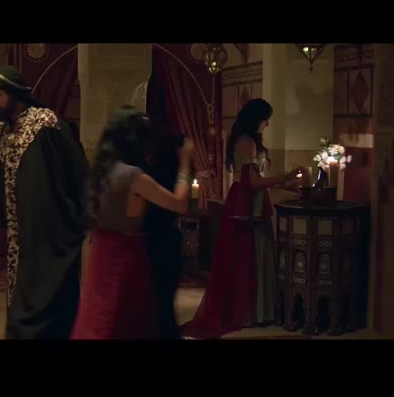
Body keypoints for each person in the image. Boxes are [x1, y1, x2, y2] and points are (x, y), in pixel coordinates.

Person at [181, 98, 302, 339]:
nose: (267, 124)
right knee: (249, 255)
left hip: (249, 201)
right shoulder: (247, 142)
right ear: (257, 119)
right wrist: (284, 177)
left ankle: (255, 311)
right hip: (246, 204)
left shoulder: (246, 140)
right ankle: (248, 312)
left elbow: (255, 179)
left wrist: (284, 185)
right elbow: (252, 182)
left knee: (252, 254)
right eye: (266, 119)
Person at [0, 65, 88, 339]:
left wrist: (77, 220)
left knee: (47, 299)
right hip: (19, 235)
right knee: (21, 296)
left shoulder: (47, 126)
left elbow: (77, 172)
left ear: (14, 93)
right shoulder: (3, 131)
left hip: (49, 234)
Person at [71, 105, 193, 339]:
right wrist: (185, 163)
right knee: (123, 320)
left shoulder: (100, 171)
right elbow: (179, 204)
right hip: (125, 254)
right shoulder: (132, 175)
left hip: (101, 253)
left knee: (98, 318)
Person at [143, 129, 188, 339]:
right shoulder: (161, 174)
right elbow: (180, 205)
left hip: (154, 238)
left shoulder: (151, 171)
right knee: (162, 301)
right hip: (160, 240)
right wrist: (185, 164)